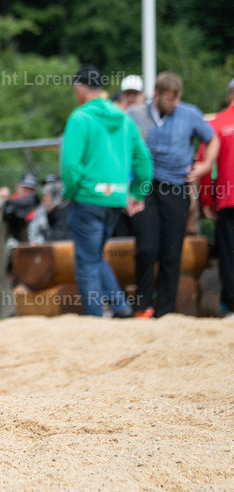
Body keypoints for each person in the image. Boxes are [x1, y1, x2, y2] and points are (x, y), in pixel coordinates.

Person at [62, 64, 152, 318]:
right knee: (94, 255)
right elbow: (144, 161)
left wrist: (70, 191)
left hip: (87, 198)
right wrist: (138, 193)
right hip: (115, 198)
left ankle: (94, 318)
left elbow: (70, 165)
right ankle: (121, 306)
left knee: (87, 261)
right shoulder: (124, 117)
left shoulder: (80, 118)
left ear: (80, 88)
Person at [127, 72, 218, 318]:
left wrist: (205, 165)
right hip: (144, 188)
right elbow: (123, 149)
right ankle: (142, 306)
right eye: (169, 99)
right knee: (146, 247)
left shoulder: (189, 114)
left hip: (176, 187)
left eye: (177, 98)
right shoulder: (135, 116)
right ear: (156, 94)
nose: (174, 103)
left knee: (171, 250)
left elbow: (213, 139)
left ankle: (166, 311)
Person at [200, 78, 234, 318]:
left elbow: (205, 164)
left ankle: (231, 305)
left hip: (227, 199)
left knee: (229, 254)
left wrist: (206, 200)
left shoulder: (216, 124)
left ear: (228, 95)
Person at [27, 175, 71, 244]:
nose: (44, 199)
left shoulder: (66, 213)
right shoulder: (43, 211)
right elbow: (33, 232)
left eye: (47, 195)